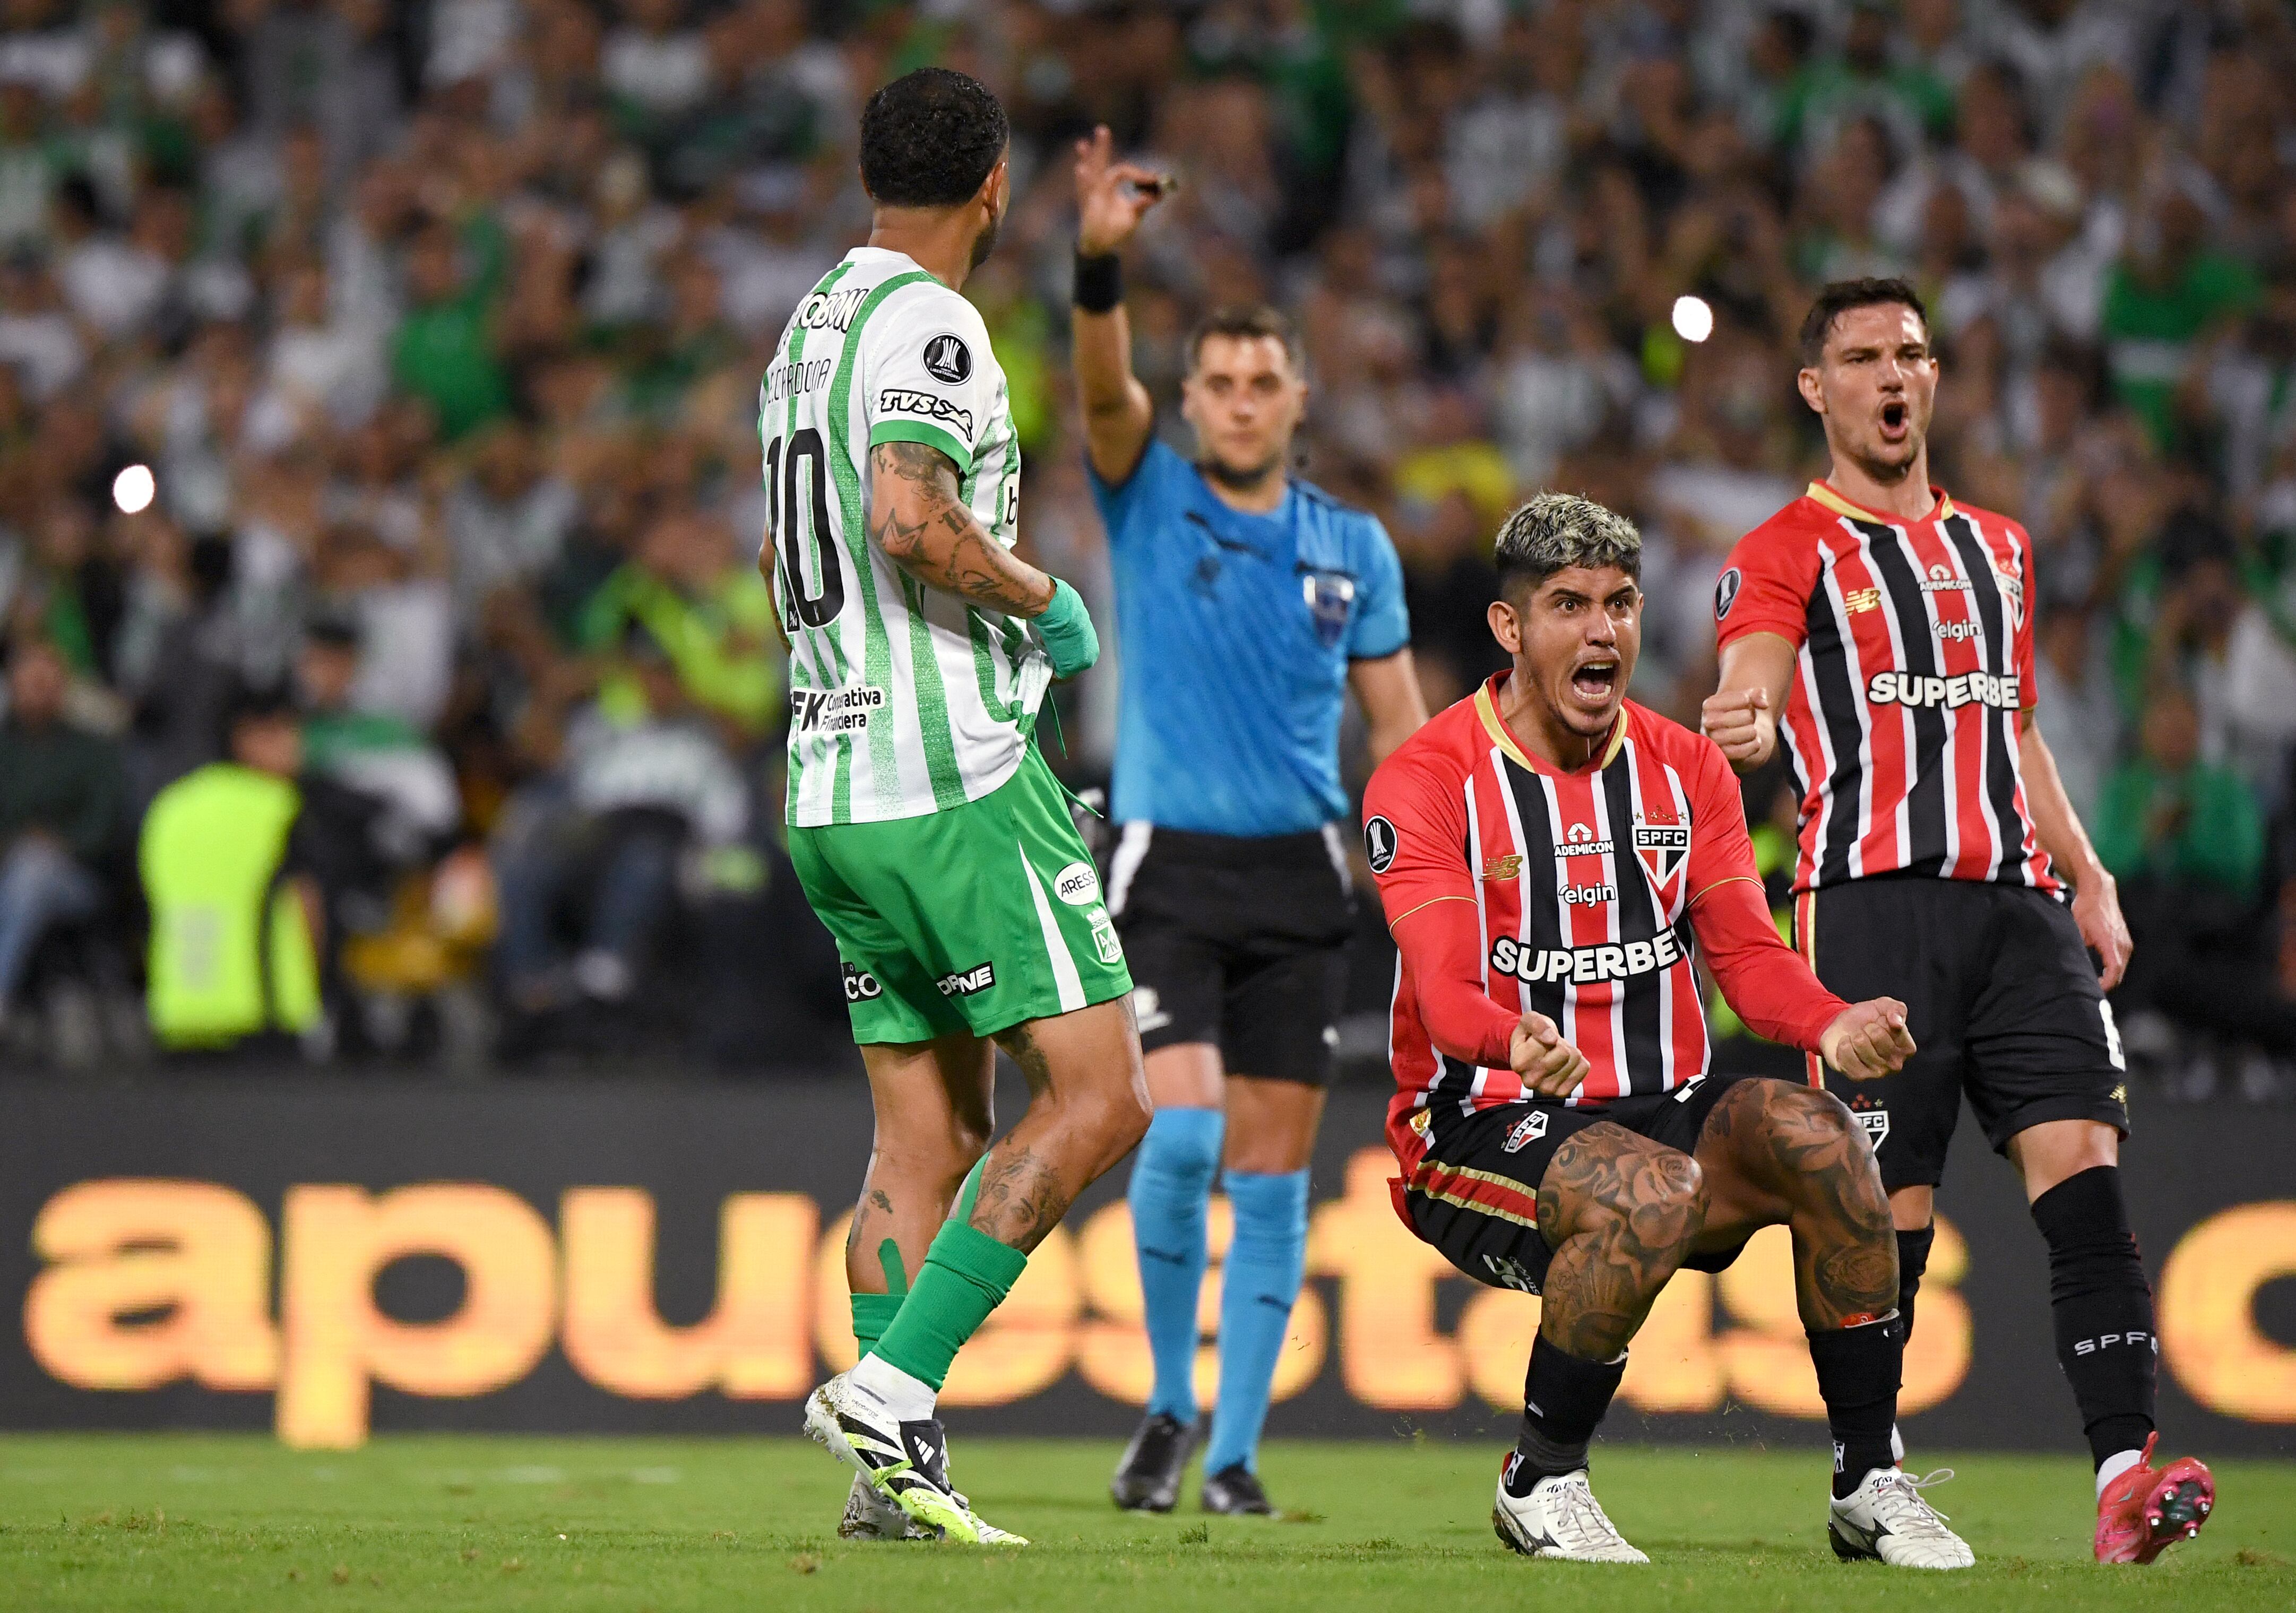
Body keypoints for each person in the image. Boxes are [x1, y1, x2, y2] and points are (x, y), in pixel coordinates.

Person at [1701, 278, 2216, 1565]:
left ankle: (2122, 1478)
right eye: (1864, 356)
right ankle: (1865, 1476)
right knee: (1887, 1210)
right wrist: (1745, 715)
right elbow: (1752, 673)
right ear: (1817, 389)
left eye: (1912, 353)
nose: (1893, 376)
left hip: (2022, 912)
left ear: (1935, 379)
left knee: (2087, 1180)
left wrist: (2087, 875)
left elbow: (2016, 726)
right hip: (1873, 909)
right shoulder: (1787, 547)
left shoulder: (1999, 546)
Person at [1366, 492, 1969, 1568]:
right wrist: (1513, 1040)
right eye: (1568, 605)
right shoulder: (1430, 776)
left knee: (1830, 1137)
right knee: (1652, 1186)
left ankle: (1868, 1478)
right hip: (1477, 1127)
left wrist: (1831, 1021)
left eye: (1621, 603)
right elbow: (1447, 989)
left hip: (1661, 1112)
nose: (1603, 631)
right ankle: (1541, 1479)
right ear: (1510, 630)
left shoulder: (1688, 769)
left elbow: (1744, 952)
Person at [772, 70, 1150, 1548]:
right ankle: (893, 1387)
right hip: (949, 780)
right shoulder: (925, 321)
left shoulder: (802, 333)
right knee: (1102, 1090)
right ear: (992, 185)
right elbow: (907, 519)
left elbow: (773, 550)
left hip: (828, 778)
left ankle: (890, 1483)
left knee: (918, 1142)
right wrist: (1043, 601)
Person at [1069, 127, 1429, 1516]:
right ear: (1188, 397)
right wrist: (1099, 262)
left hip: (1300, 877)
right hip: (1166, 866)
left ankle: (1228, 1454)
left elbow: (1396, 727)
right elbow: (1100, 383)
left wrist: (1416, 873)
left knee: (1275, 1173)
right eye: (1213, 381)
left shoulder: (1353, 546)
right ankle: (1165, 1401)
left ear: (1297, 397)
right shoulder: (1143, 491)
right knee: (1177, 1137)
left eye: (1258, 381)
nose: (1234, 399)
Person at [140, 687, 323, 1060]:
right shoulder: (282, 808)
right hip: (263, 1018)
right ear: (245, 738)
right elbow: (308, 909)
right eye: (283, 732)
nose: (297, 746)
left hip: (178, 1016)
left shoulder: (170, 807)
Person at [0, 637, 124, 1028]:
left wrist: (53, 844)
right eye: (30, 678)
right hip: (7, 864)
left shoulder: (92, 748)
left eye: (47, 679)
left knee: (33, 870)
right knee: (24, 869)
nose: (39, 688)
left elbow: (103, 824)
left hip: (77, 877)